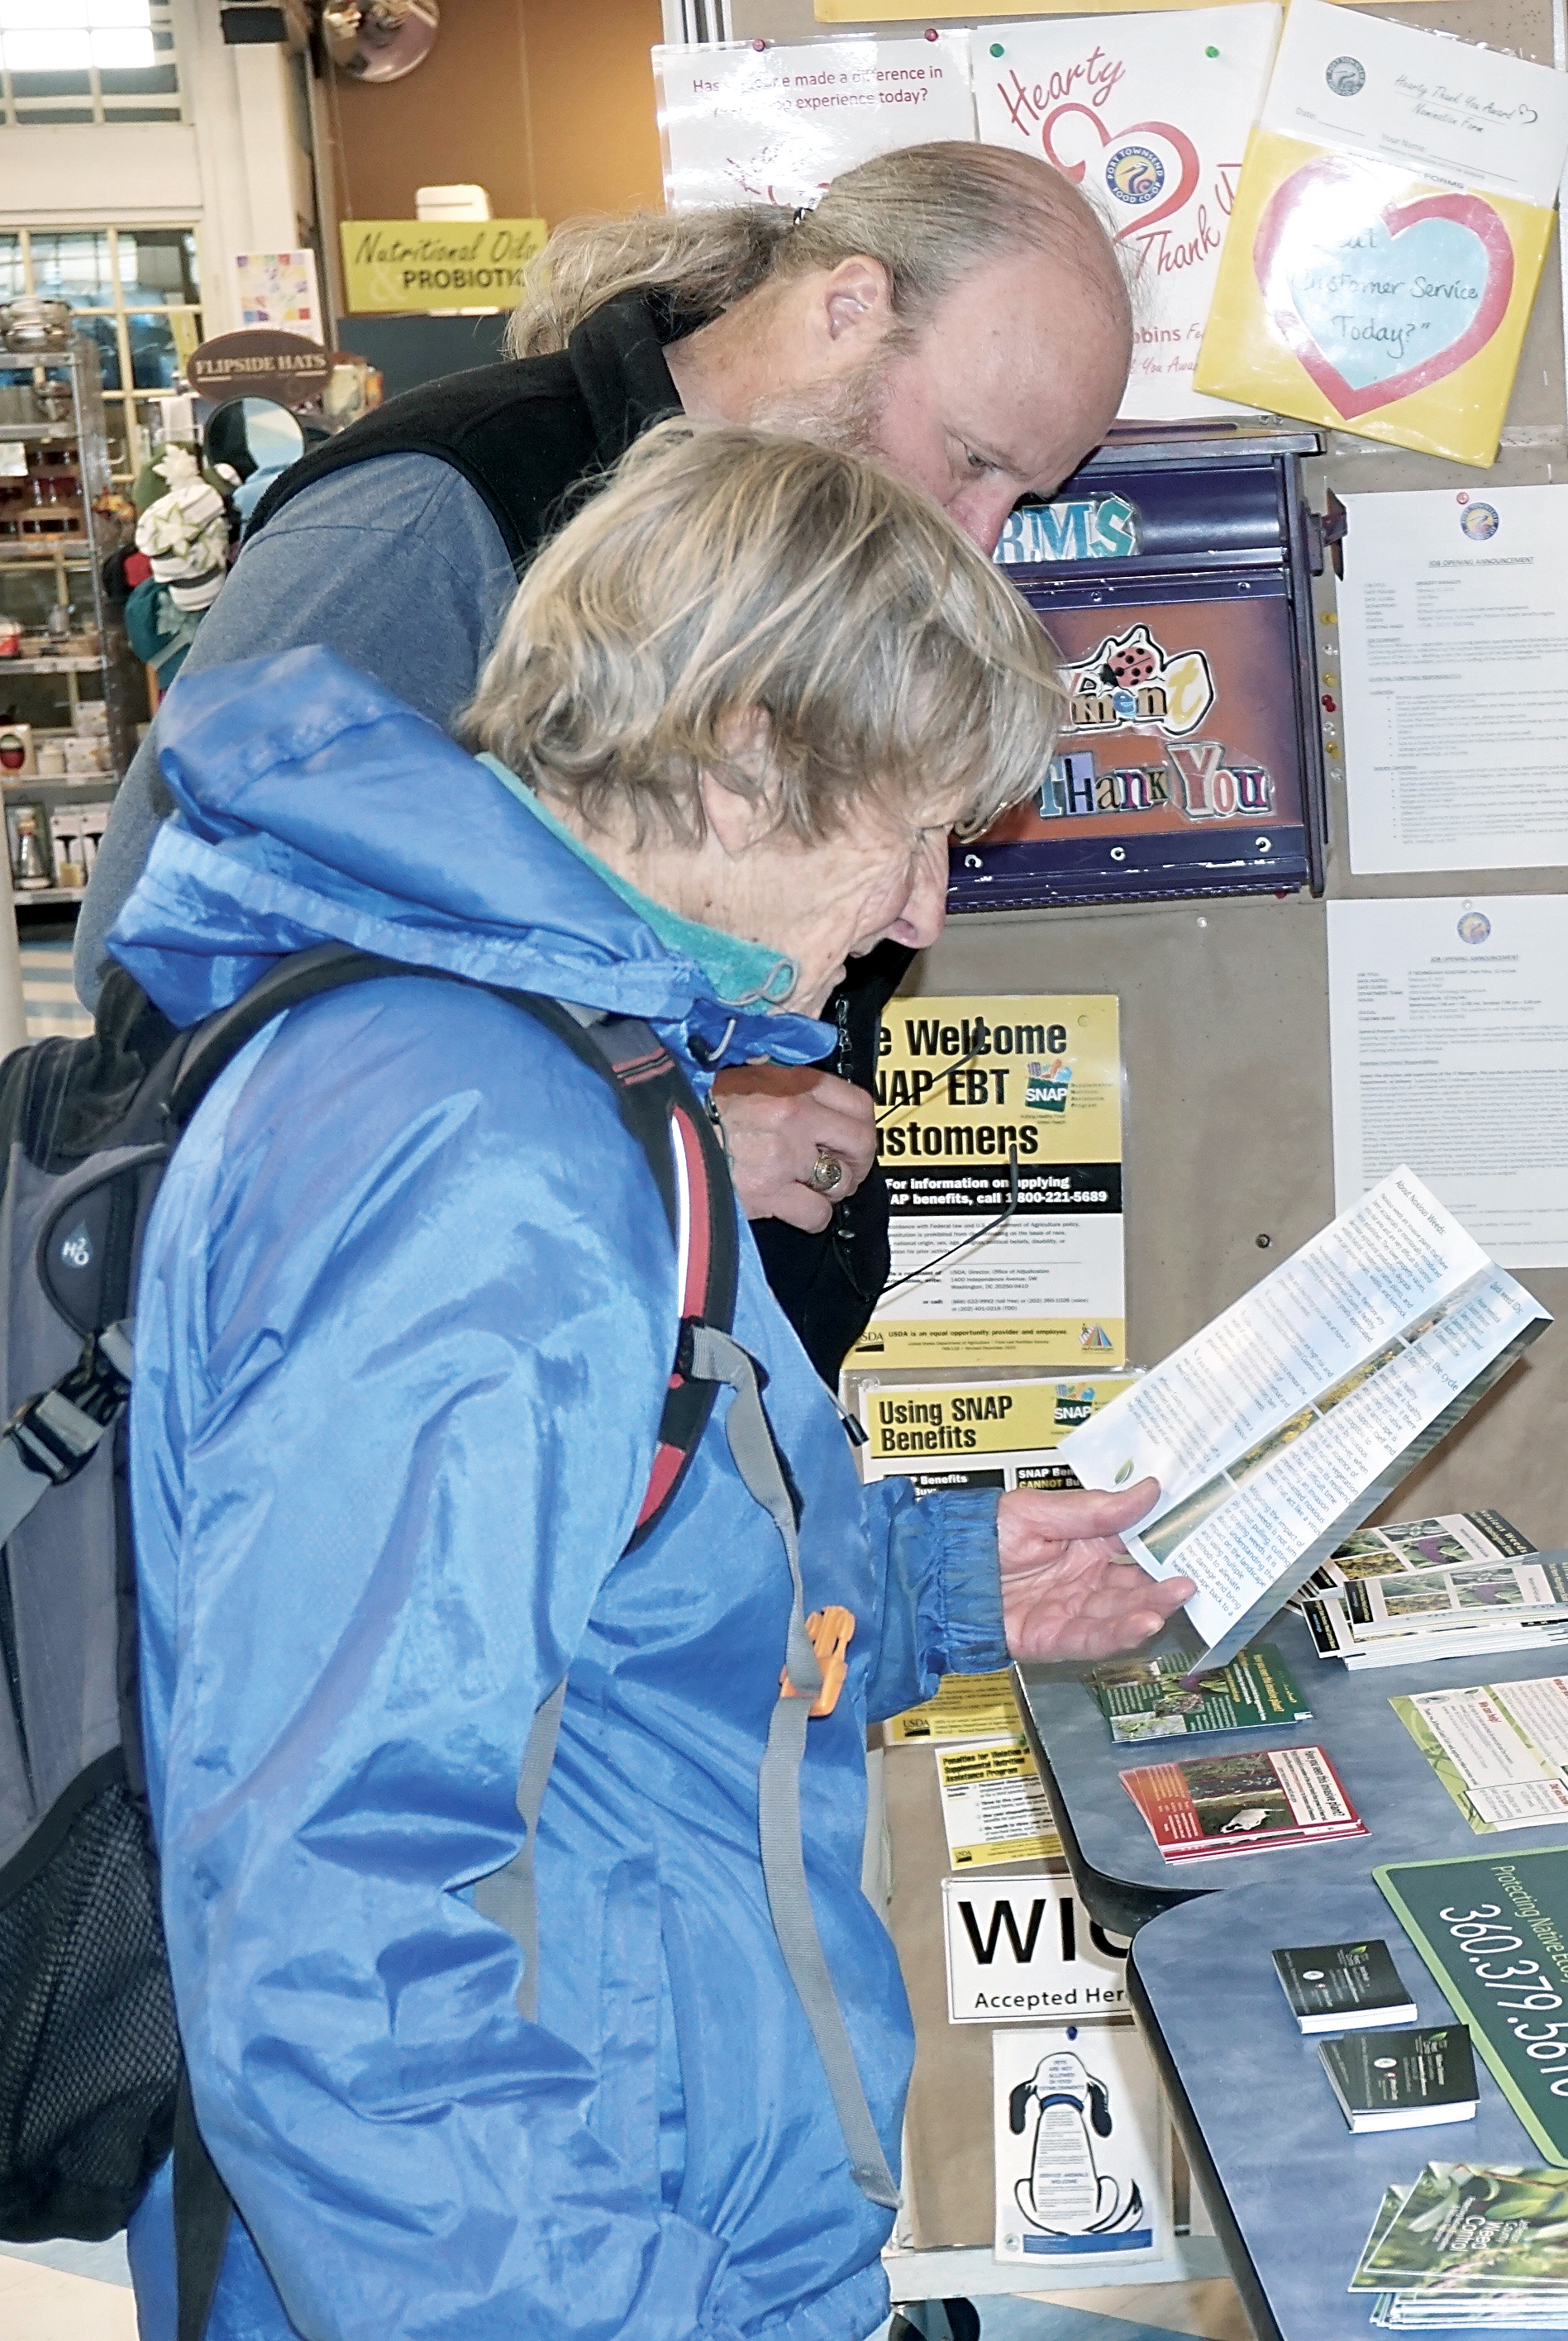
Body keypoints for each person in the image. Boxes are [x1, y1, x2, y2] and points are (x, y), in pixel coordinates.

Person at [114, 422, 1181, 2341]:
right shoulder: (481, 1153)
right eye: (917, 829)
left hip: (659, 2216)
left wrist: (949, 1585)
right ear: (746, 748)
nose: (929, 909)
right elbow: (338, 1927)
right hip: (572, 2265)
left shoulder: (556, 1062)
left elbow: (619, 1599)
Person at [75, 141, 1132, 1376]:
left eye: (1027, 499)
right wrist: (652, 1125)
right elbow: (165, 994)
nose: (977, 539)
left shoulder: (808, 558)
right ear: (847, 309)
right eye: (970, 459)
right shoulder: (438, 511)